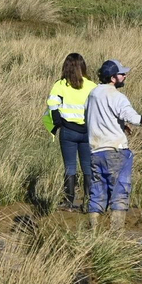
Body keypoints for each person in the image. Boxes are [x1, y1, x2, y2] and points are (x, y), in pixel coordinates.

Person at [84, 59, 142, 231]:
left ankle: (94, 232)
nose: (125, 76)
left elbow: (90, 117)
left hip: (95, 152)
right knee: (119, 193)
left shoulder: (93, 93)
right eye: (121, 74)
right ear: (112, 78)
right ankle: (116, 234)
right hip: (116, 152)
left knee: (97, 193)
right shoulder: (117, 96)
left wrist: (120, 123)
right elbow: (135, 118)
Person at [44, 52, 97, 210]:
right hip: (88, 132)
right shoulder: (92, 86)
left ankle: (68, 202)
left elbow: (52, 105)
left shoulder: (60, 85)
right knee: (88, 167)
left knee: (69, 166)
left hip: (68, 131)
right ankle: (89, 203)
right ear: (83, 66)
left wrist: (58, 123)